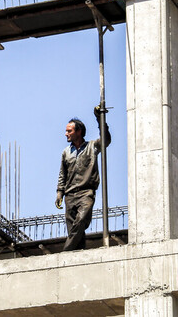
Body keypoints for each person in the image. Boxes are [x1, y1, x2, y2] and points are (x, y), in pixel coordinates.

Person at [55, 106, 111, 251]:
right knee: (74, 229)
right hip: (70, 195)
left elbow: (106, 140)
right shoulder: (66, 153)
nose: (66, 133)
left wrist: (100, 119)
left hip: (86, 193)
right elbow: (63, 174)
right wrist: (60, 192)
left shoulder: (92, 147)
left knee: (80, 222)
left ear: (78, 132)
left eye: (69, 131)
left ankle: (66, 251)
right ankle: (76, 255)